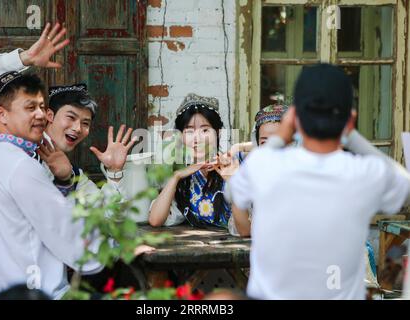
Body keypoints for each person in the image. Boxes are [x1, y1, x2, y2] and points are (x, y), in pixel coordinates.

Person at [226, 63, 410, 299]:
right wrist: (352, 136)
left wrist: (280, 136)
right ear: (349, 120)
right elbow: (404, 184)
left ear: (295, 119)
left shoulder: (265, 166)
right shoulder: (363, 174)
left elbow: (233, 190)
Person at [0, 22, 106, 300]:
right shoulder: (18, 160)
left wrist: (70, 179)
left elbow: (104, 211)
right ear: (2, 116)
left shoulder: (6, 152)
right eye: (31, 107)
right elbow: (83, 249)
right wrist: (24, 59)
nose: (40, 114)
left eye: (42, 107)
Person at [149, 93, 239, 233]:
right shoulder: (183, 178)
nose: (197, 138)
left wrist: (233, 181)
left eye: (205, 130)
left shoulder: (232, 167)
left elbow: (245, 229)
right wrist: (176, 176)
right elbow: (155, 220)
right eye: (189, 131)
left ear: (218, 133)